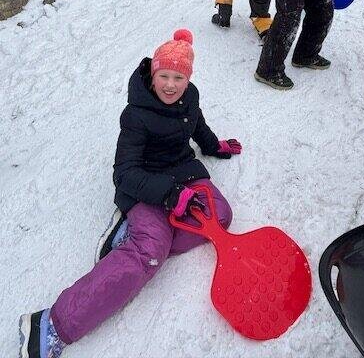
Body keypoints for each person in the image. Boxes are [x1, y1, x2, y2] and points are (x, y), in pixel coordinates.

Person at [19, 29, 242, 358]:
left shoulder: (189, 96)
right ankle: (51, 325)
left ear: (188, 78)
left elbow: (196, 123)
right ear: (153, 74)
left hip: (183, 171)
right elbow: (123, 173)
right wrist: (169, 195)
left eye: (178, 77)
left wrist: (213, 145)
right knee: (150, 252)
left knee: (220, 216)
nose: (170, 85)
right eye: (164, 76)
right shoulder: (136, 115)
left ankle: (138, 234)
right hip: (143, 182)